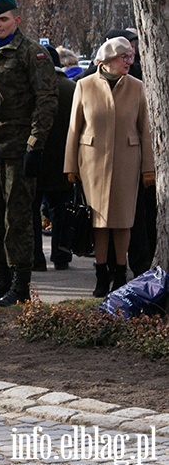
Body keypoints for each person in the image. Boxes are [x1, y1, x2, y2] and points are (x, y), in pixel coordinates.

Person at [0, 0, 58, 308]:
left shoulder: (30, 52)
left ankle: (20, 285)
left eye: (4, 19)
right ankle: (0, 281)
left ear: (16, 20)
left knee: (18, 219)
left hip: (18, 148)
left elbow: (46, 100)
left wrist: (35, 145)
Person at [64, 36, 155, 297]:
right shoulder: (84, 85)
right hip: (92, 161)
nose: (129, 61)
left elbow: (145, 130)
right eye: (123, 57)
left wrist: (148, 168)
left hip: (127, 161)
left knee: (123, 221)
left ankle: (120, 272)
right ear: (106, 60)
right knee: (98, 222)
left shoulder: (137, 87)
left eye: (130, 57)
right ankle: (101, 274)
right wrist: (70, 165)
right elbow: (74, 128)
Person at [32, 46, 75, 272]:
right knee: (62, 210)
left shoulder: (33, 89)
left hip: (36, 157)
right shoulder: (72, 88)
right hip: (64, 159)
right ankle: (61, 255)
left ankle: (35, 257)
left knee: (32, 209)